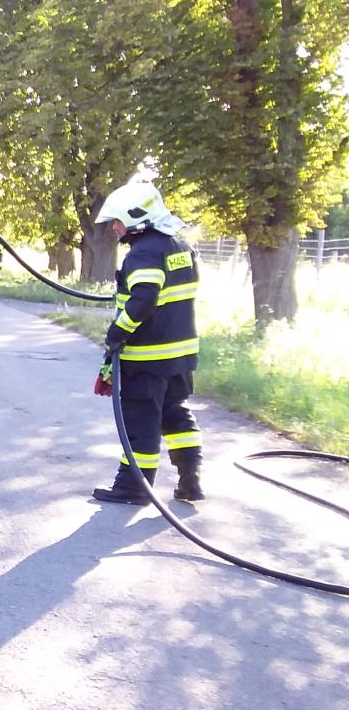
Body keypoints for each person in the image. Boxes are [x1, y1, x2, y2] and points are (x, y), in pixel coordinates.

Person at [89, 181, 203, 505]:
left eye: (118, 221)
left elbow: (143, 301)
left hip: (148, 358)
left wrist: (116, 334)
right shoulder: (180, 247)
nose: (114, 227)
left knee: (141, 421)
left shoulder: (144, 253)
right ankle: (190, 479)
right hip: (180, 356)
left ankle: (133, 488)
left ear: (136, 219)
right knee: (176, 415)